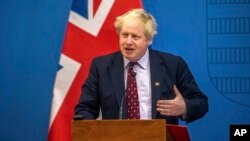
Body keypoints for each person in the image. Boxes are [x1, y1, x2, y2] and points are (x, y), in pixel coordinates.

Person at [74, 8, 208, 124]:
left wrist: (184, 107)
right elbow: (84, 109)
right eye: (124, 35)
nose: (128, 42)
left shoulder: (173, 64)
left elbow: (201, 103)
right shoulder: (101, 66)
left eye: (135, 37)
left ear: (149, 39)